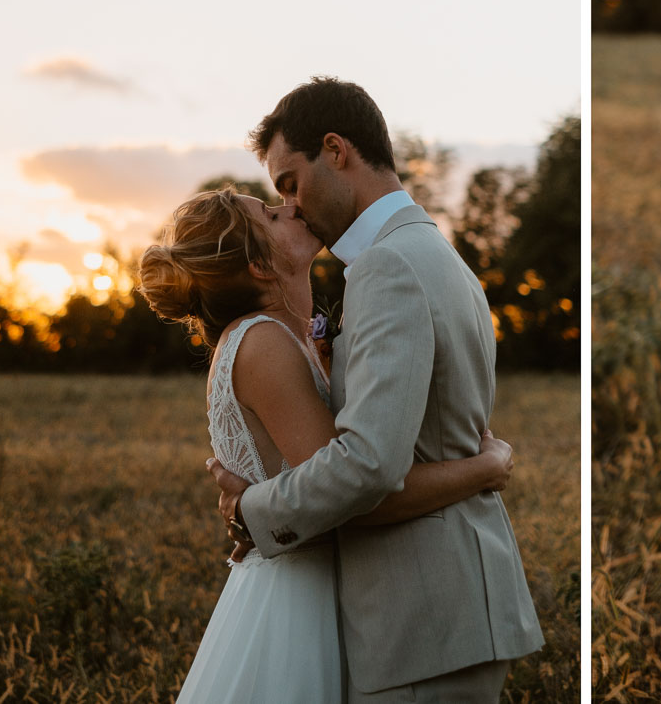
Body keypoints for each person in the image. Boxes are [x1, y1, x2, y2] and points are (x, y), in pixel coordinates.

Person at [208, 77, 544, 704]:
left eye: (290, 183)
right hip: (447, 612)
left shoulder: (388, 266)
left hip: (421, 618)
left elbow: (370, 463)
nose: (292, 206)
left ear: (335, 150)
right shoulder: (432, 252)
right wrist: (484, 466)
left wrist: (252, 510)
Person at [139, 186, 516, 703]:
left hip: (335, 587)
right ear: (259, 266)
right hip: (297, 607)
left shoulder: (286, 337)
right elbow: (353, 494)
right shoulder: (263, 342)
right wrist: (484, 469)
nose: (290, 206)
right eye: (272, 215)